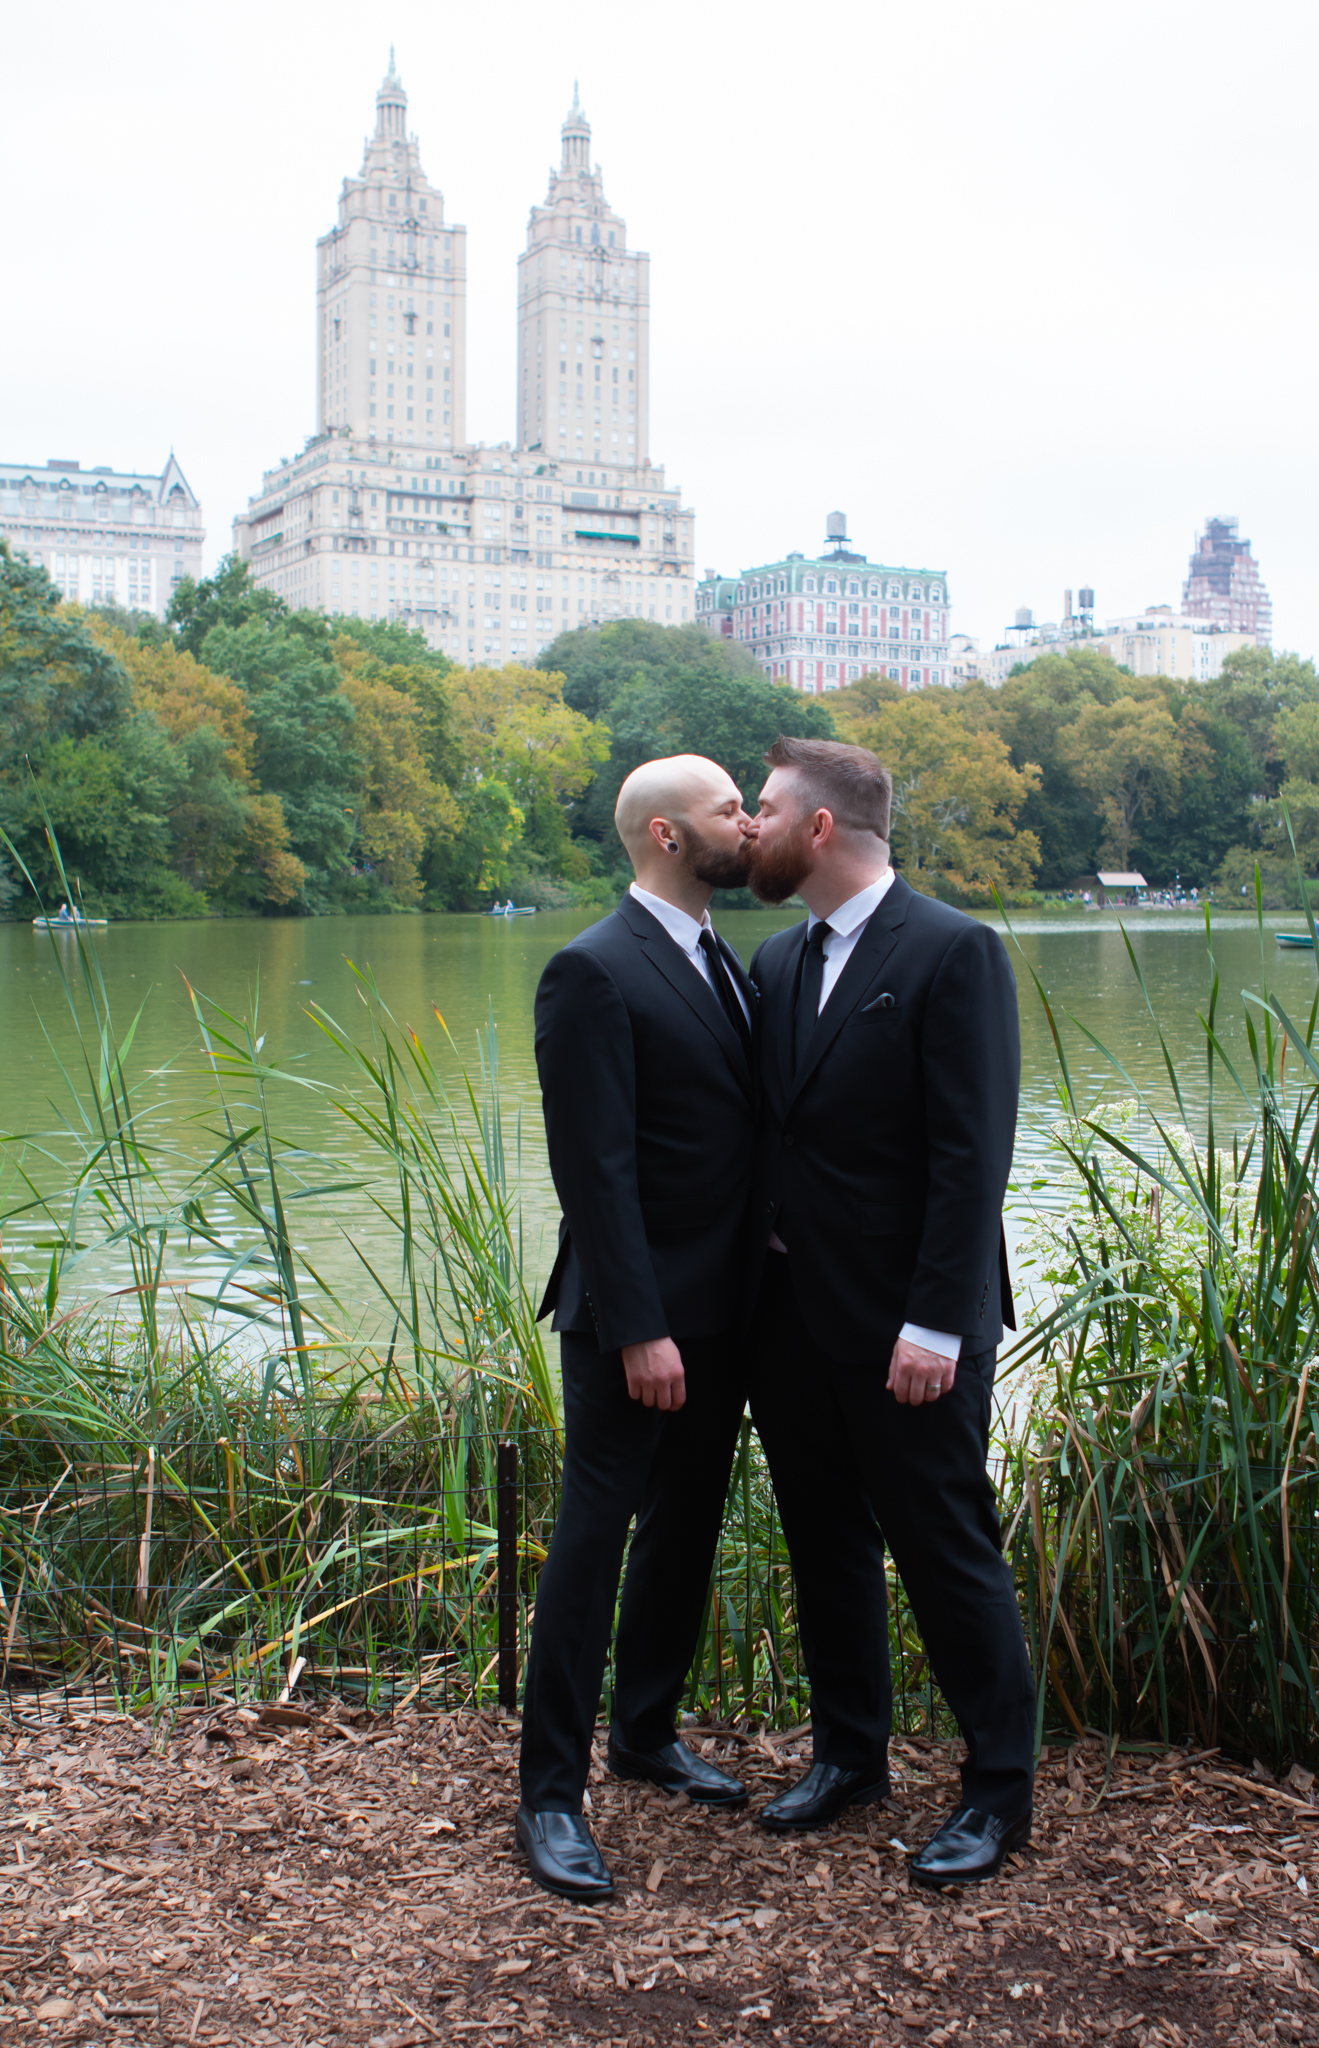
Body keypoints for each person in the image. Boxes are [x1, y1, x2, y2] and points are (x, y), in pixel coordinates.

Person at [741, 734, 1035, 1889]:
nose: (748, 826)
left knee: (948, 1548)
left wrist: (937, 1322)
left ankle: (998, 1790)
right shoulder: (773, 959)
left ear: (821, 827)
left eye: (764, 808)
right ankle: (850, 1754)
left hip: (913, 1327)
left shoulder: (955, 950)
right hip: (791, 1320)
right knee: (825, 1544)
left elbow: (975, 1157)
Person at [517, 754, 763, 1900]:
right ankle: (550, 1796)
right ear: (667, 834)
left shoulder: (730, 961)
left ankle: (647, 1733)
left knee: (686, 1527)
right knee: (593, 1536)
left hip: (728, 1313)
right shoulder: (592, 970)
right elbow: (594, 1172)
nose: (748, 823)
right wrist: (639, 1325)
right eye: (729, 809)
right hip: (636, 1319)